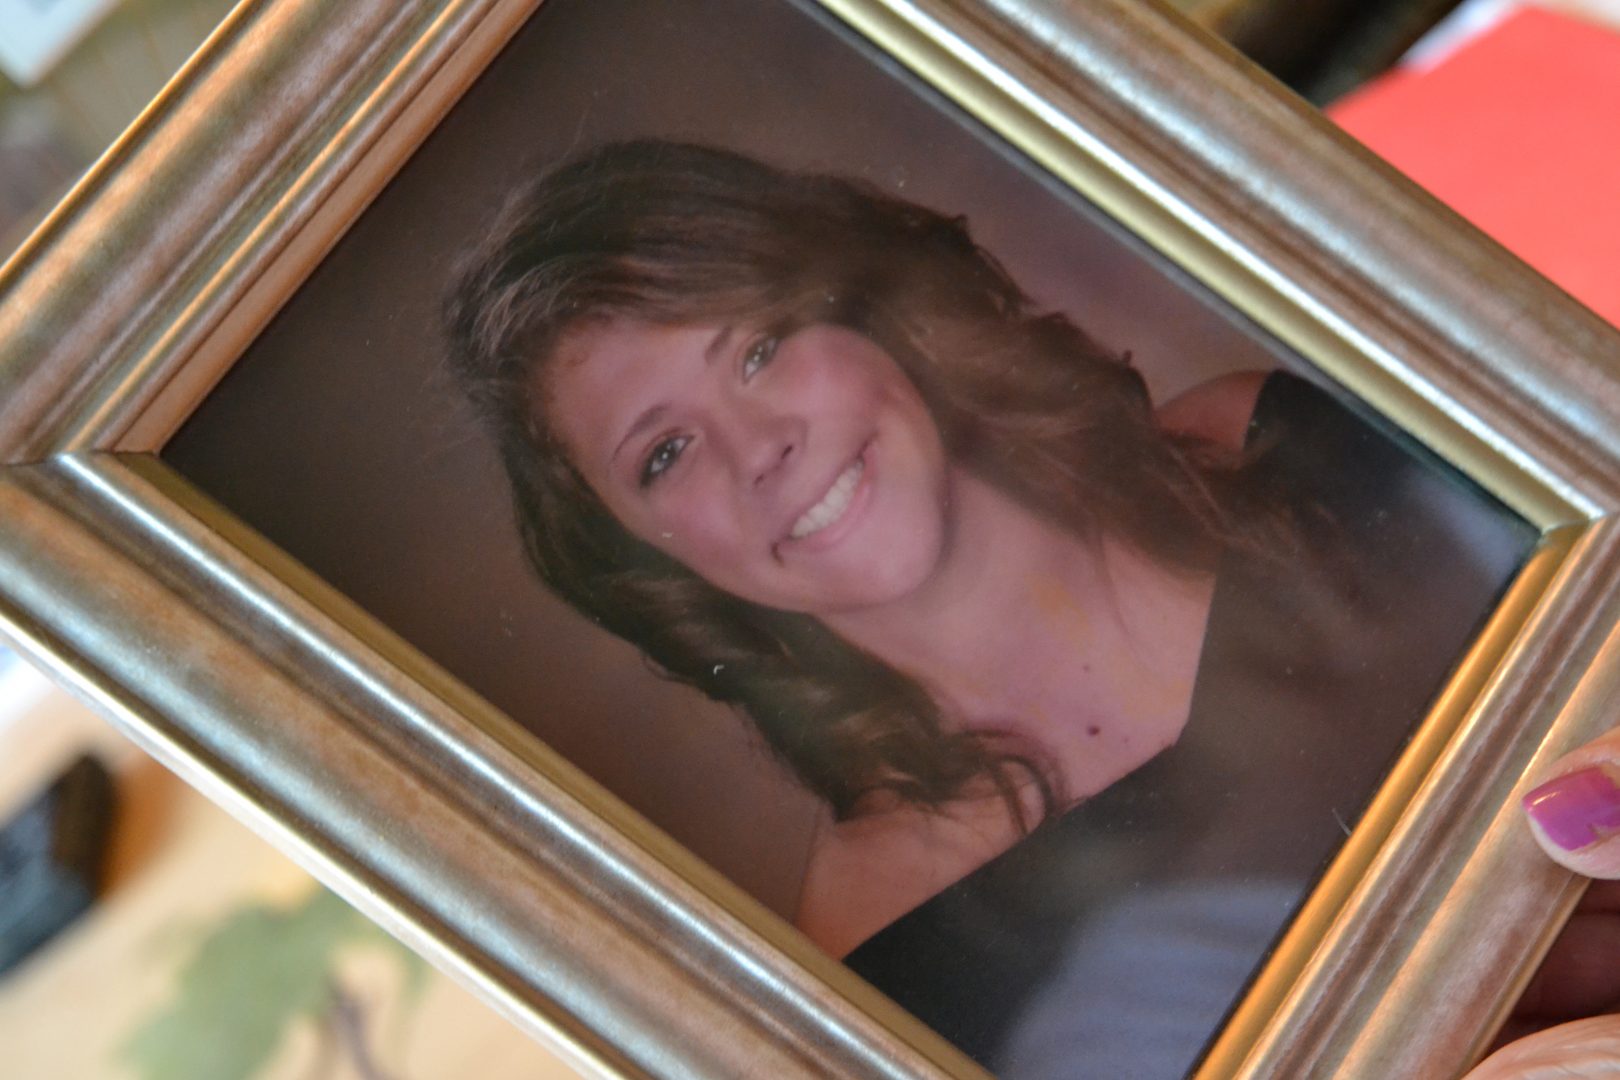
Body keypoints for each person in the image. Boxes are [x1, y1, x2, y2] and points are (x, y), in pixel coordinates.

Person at [444, 139, 1531, 1075]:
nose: (757, 446)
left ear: (868, 313)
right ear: (642, 558)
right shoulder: (877, 951)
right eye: (665, 453)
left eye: (762, 348)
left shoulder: (1274, 443)